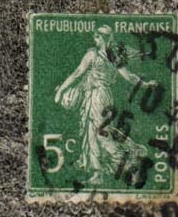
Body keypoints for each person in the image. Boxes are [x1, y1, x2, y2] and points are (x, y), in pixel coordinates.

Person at [53, 25, 152, 185]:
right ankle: (97, 173)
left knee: (98, 133)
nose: (95, 38)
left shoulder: (92, 54)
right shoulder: (113, 56)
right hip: (106, 96)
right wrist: (145, 84)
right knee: (92, 133)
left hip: (95, 96)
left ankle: (129, 161)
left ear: (101, 38)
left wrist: (60, 91)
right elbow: (129, 76)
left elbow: (77, 73)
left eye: (97, 36)